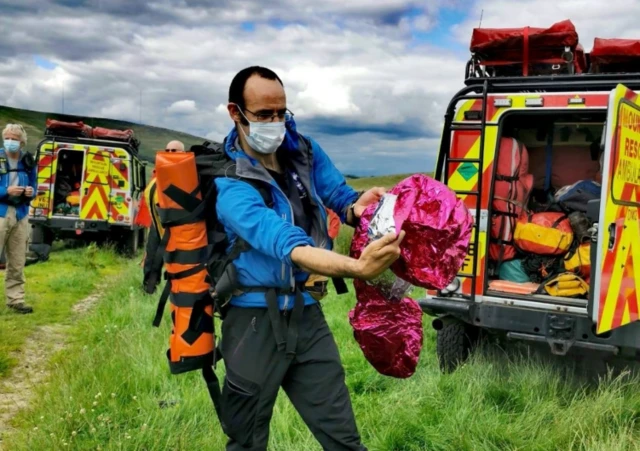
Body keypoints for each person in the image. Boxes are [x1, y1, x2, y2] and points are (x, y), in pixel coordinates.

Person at [214, 66, 404, 451]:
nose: (276, 123)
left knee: (343, 437)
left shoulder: (303, 150)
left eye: (281, 113)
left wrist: (358, 207)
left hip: (306, 315)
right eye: (264, 115)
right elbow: (288, 244)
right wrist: (356, 269)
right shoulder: (229, 184)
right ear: (236, 113)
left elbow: (339, 196)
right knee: (246, 440)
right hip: (253, 322)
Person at [138, 140, 185, 293]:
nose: (170, 153)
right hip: (158, 224)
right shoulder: (158, 175)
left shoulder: (187, 176)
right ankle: (149, 289)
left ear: (183, 154)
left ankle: (179, 292)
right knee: (152, 257)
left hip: (180, 228)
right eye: (168, 150)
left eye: (175, 150)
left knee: (180, 263)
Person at [0, 124, 37, 314]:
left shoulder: (28, 160)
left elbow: (34, 184)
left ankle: (16, 300)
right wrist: (5, 191)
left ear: (22, 142)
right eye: (7, 137)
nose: (10, 142)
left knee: (17, 259)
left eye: (14, 138)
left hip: (21, 213)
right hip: (1, 211)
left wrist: (31, 192)